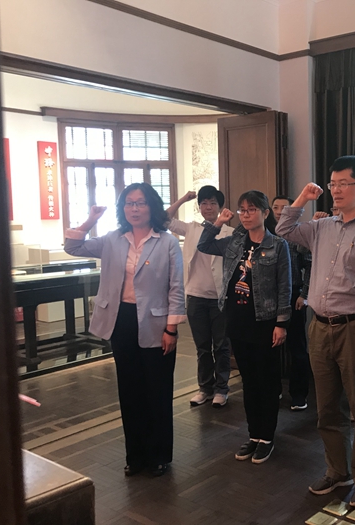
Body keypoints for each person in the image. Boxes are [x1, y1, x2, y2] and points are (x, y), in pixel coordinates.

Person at [276, 155, 355, 509]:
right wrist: (302, 198)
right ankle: (337, 470)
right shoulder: (322, 226)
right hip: (319, 326)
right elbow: (283, 230)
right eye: (332, 184)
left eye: (344, 183)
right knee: (327, 407)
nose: (336, 190)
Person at [64, 183, 185, 477]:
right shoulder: (113, 239)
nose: (134, 209)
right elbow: (72, 246)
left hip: (157, 323)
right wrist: (91, 219)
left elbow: (176, 287)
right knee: (129, 390)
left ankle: (158, 455)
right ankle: (136, 455)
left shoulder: (167, 242)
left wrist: (171, 329)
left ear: (152, 207)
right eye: (129, 203)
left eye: (140, 203)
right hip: (121, 320)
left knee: (157, 390)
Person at [198, 190, 291, 464]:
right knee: (249, 382)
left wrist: (282, 323)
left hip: (265, 322)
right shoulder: (234, 242)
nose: (246, 215)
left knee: (267, 382)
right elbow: (204, 245)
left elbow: (284, 286)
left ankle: (267, 437)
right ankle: (254, 435)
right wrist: (218, 222)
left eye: (252, 210)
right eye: (242, 210)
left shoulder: (278, 245)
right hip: (237, 321)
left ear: (265, 213)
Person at [167, 186, 234, 408]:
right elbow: (164, 219)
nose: (208, 207)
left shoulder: (230, 232)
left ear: (220, 206)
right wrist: (183, 199)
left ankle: (222, 389)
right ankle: (205, 388)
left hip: (220, 298)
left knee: (221, 346)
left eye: (213, 203)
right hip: (195, 296)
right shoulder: (192, 228)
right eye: (204, 203)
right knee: (202, 347)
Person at [271, 195, 312, 410]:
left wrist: (304, 294)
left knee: (297, 347)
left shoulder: (299, 235)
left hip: (294, 295)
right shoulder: (266, 235)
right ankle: (274, 389)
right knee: (271, 347)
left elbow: (310, 267)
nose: (279, 211)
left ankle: (299, 393)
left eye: (284, 208)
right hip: (270, 298)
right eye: (275, 207)